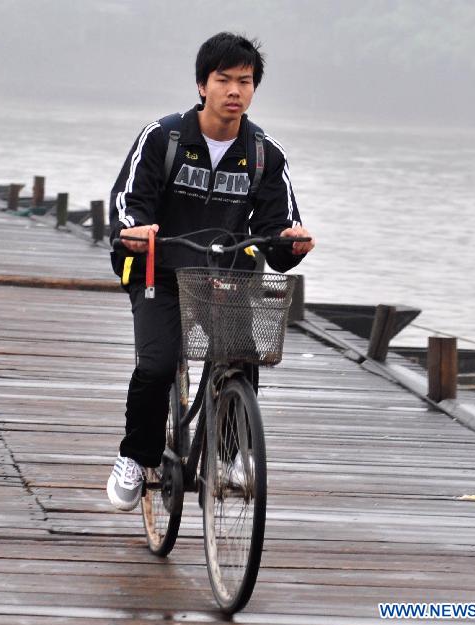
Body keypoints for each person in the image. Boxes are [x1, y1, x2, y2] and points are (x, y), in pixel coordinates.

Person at [105, 32, 315, 511]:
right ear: (203, 85)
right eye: (224, 80)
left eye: (245, 81)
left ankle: (226, 457)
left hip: (225, 275)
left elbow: (276, 231)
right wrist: (133, 230)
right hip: (161, 269)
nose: (234, 90)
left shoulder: (265, 154)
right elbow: (128, 203)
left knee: (241, 358)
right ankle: (135, 457)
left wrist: (292, 243)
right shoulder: (164, 137)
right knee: (157, 366)